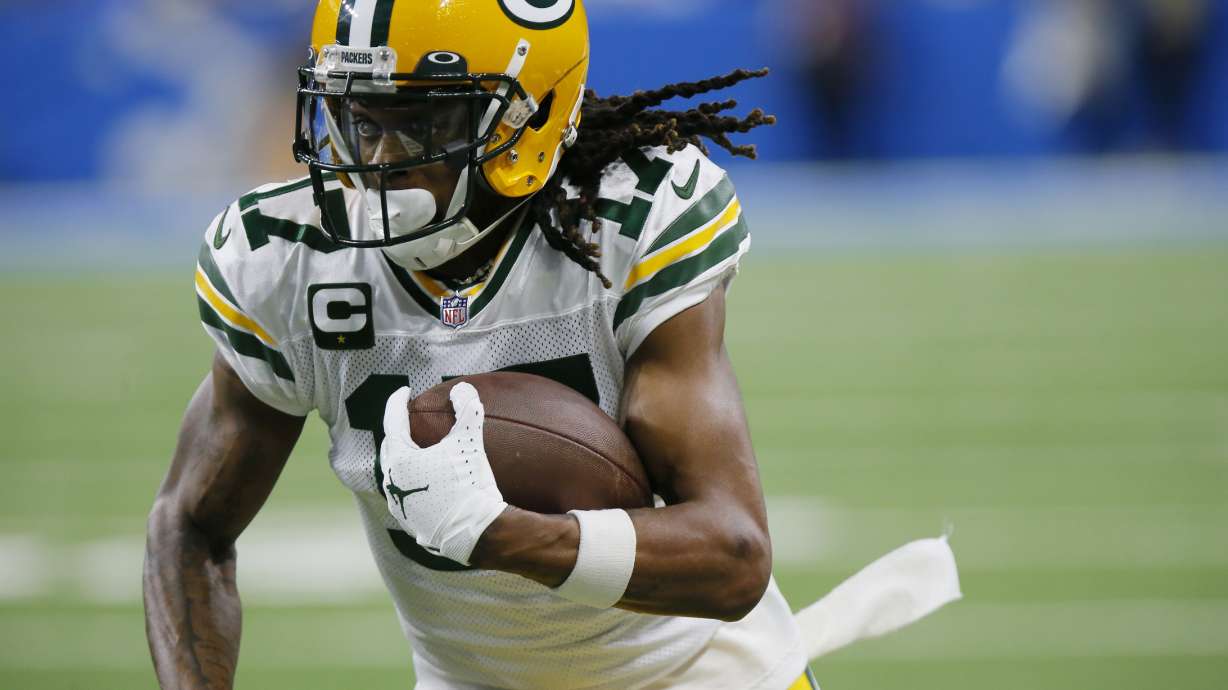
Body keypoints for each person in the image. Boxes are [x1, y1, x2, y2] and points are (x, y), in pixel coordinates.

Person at [143, 1, 815, 688]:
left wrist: (503, 535)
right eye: (362, 120)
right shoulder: (291, 263)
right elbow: (189, 526)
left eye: (422, 125)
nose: (378, 161)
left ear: (531, 116)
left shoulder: (628, 226)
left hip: (700, 671)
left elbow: (734, 557)